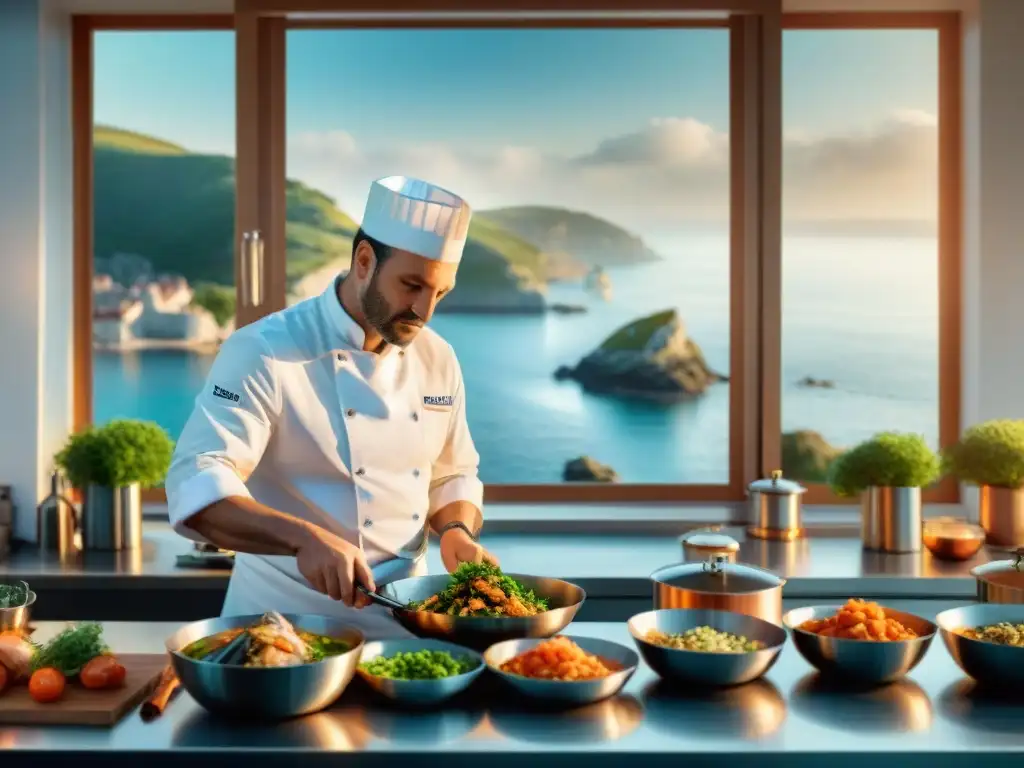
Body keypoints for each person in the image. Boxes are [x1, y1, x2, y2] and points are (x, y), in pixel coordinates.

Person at [165, 176, 498, 638]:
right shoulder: (264, 350)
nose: (425, 310)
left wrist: (458, 531)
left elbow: (452, 472)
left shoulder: (437, 358)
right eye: (411, 285)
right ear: (364, 261)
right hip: (282, 630)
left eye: (440, 293)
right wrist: (303, 539)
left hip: (409, 633)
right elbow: (197, 479)